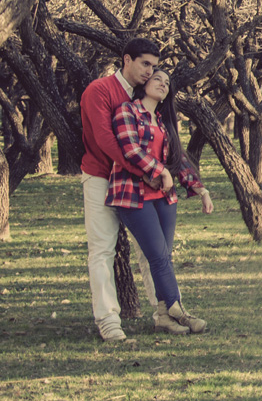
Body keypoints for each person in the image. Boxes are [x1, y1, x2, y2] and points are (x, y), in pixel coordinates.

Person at [108, 68, 213, 334]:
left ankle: (165, 318)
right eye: (158, 79)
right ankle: (180, 312)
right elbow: (130, 149)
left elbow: (178, 159)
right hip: (132, 195)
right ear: (144, 84)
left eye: (167, 83)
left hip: (164, 198)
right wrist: (160, 170)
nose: (163, 85)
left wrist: (200, 189)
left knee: (163, 257)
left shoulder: (163, 121)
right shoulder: (126, 111)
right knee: (157, 256)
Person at [80, 37, 162, 342]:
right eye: (144, 64)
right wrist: (146, 171)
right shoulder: (98, 90)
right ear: (126, 60)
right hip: (101, 176)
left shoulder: (146, 96)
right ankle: (108, 319)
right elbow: (105, 141)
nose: (149, 71)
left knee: (151, 248)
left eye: (153, 66)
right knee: (102, 249)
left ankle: (164, 310)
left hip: (137, 181)